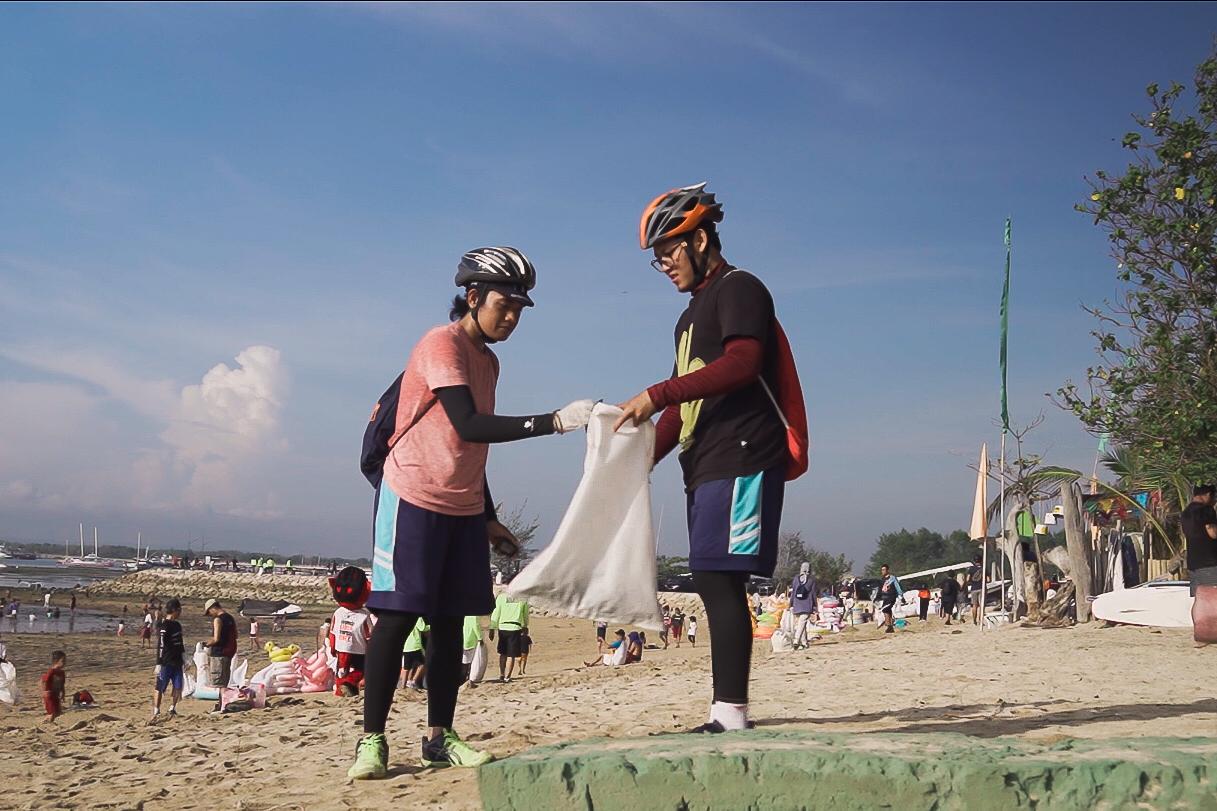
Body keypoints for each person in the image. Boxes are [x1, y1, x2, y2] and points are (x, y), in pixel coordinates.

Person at [348, 247, 594, 779]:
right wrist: (552, 421)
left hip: (462, 507)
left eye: (520, 310)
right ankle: (372, 741)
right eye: (504, 305)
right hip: (411, 496)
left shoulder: (489, 361)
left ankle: (439, 738)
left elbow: (468, 449)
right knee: (394, 621)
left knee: (450, 622)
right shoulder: (441, 343)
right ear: (473, 296)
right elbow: (467, 424)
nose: (511, 318)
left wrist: (487, 517)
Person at [616, 183, 795, 733]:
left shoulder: (741, 288)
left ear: (699, 238)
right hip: (705, 460)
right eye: (657, 259)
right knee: (709, 577)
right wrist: (641, 456)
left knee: (721, 580)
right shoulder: (689, 317)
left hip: (744, 453)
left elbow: (742, 363)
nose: (665, 264)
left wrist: (657, 393)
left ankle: (731, 714)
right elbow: (682, 398)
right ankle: (726, 712)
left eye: (669, 251)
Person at [151, 598, 185, 723]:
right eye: (179, 610)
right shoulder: (164, 625)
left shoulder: (177, 625)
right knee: (160, 686)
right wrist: (158, 663)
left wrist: (184, 657)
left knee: (178, 686)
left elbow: (180, 643)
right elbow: (161, 644)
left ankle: (173, 708)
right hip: (166, 661)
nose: (180, 612)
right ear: (175, 610)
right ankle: (156, 710)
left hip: (177, 661)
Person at [1182, 485, 1217, 596]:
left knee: (1198, 599)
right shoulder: (1206, 510)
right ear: (1207, 495)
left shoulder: (1186, 512)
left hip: (1193, 563)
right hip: (1209, 562)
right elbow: (1212, 533)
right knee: (1212, 599)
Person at [203, 598, 238, 711]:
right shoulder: (230, 618)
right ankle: (221, 704)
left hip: (219, 653)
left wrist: (206, 644)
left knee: (220, 682)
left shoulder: (218, 620)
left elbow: (216, 639)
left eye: (209, 612)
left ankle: (223, 706)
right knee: (224, 680)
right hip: (229, 652)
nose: (210, 615)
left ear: (213, 608)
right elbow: (235, 635)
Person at [489, 592, 529, 683]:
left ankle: (502, 674)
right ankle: (507, 677)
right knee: (511, 655)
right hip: (515, 628)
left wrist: (492, 628)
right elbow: (525, 614)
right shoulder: (523, 597)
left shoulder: (501, 597)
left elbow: (496, 612)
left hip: (502, 627)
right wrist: (525, 626)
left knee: (503, 653)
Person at [790, 562, 816, 649]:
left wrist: (791, 604)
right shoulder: (811, 581)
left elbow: (793, 592)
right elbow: (813, 594)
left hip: (797, 604)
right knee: (802, 622)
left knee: (802, 623)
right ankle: (796, 640)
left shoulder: (795, 579)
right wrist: (815, 606)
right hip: (806, 604)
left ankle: (804, 643)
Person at [402, 618, 428, 690]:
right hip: (415, 645)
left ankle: (403, 686)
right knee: (422, 664)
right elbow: (423, 628)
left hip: (406, 646)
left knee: (406, 667)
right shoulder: (417, 617)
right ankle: (412, 681)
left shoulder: (404, 618)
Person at [42, 650, 67, 723]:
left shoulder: (62, 673)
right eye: (63, 661)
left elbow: (62, 684)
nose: (65, 663)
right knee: (52, 712)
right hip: (50, 694)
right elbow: (44, 681)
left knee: (58, 712)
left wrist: (63, 693)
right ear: (56, 661)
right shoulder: (51, 671)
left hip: (56, 694)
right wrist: (45, 692)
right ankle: (48, 723)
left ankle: (46, 721)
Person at [879, 564, 903, 634]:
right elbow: (881, 589)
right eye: (882, 570)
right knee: (887, 610)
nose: (882, 571)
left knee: (885, 609)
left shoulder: (892, 578)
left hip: (891, 596)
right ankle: (890, 627)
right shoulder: (882, 579)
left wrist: (901, 595)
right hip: (885, 597)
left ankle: (888, 625)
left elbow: (897, 586)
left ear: (887, 570)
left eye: (884, 570)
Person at [968, 555, 984, 625]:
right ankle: (980, 620)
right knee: (981, 605)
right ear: (981, 560)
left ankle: (974, 620)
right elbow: (988, 579)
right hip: (981, 588)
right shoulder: (984, 568)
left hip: (974, 588)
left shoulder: (971, 569)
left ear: (974, 561)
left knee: (974, 605)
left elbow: (968, 579)